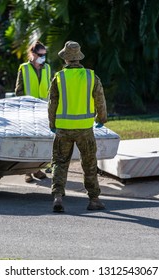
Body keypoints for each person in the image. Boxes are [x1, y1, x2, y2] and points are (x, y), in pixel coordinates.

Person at [48, 41, 108, 212]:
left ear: (65, 59)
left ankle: (58, 196)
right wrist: (102, 119)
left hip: (63, 129)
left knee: (60, 162)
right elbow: (100, 100)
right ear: (79, 57)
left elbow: (52, 103)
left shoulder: (59, 77)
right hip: (85, 129)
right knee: (89, 163)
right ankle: (94, 199)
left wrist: (52, 124)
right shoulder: (91, 77)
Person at [15, 41, 51, 183]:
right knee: (28, 142)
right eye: (41, 54)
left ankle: (37, 168)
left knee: (41, 141)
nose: (43, 57)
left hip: (43, 110)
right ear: (33, 54)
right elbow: (18, 90)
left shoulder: (47, 68)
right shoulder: (24, 68)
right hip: (27, 110)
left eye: (44, 54)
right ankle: (28, 172)